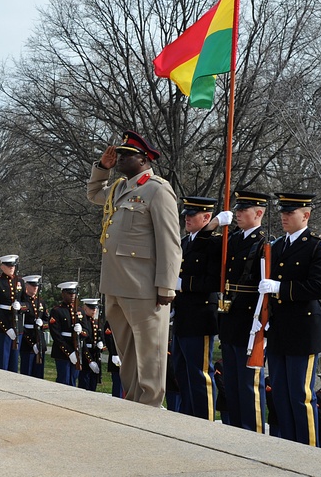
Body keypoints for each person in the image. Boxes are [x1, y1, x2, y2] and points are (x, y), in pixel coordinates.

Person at [87, 130, 182, 408]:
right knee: (126, 351)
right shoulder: (118, 187)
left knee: (149, 351)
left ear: (143, 159)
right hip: (115, 284)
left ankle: (150, 405)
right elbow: (94, 194)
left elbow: (170, 243)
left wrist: (166, 286)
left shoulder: (157, 189)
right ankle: (132, 401)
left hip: (144, 287)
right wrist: (102, 168)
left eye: (126, 155)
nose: (119, 158)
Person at [258, 192, 321, 445]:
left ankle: (309, 449)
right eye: (283, 212)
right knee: (280, 393)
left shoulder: (317, 245)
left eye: (290, 212)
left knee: (300, 395)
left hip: (304, 329)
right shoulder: (278, 245)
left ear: (306, 215)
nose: (284, 217)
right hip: (279, 328)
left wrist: (280, 288)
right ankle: (289, 445)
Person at [216, 190, 269, 433]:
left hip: (250, 319)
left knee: (249, 384)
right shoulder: (232, 239)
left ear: (258, 213)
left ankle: (252, 430)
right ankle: (236, 428)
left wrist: (262, 322)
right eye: (236, 210)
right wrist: (216, 223)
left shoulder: (263, 243)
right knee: (233, 381)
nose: (237, 214)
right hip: (229, 317)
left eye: (242, 210)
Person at [172, 196, 223, 421]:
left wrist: (184, 284)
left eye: (192, 215)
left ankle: (204, 421)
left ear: (207, 217)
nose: (187, 219)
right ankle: (187, 417)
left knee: (200, 374)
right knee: (181, 371)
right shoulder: (185, 242)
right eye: (186, 215)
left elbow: (214, 281)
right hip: (183, 314)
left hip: (200, 315)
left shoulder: (214, 243)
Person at [0, 254, 24, 373]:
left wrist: (21, 306)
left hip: (17, 324)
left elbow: (26, 302)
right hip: (3, 325)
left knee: (14, 361)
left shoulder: (20, 281)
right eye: (8, 266)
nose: (12, 268)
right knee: (3, 360)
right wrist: (6, 327)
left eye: (13, 265)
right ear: (2, 267)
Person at [49, 282, 81, 386]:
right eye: (69, 293)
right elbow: (56, 334)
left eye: (74, 293)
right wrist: (69, 352)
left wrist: (82, 330)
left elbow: (87, 331)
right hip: (62, 351)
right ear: (63, 294)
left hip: (76, 348)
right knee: (64, 380)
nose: (72, 296)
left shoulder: (80, 311)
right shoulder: (57, 311)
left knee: (73, 380)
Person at [19, 274, 47, 379]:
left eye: (37, 286)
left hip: (40, 339)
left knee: (39, 373)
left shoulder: (41, 302)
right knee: (27, 372)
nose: (35, 288)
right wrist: (31, 344)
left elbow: (47, 321)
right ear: (26, 286)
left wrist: (42, 324)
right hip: (27, 341)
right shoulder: (23, 301)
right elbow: (22, 324)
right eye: (33, 286)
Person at [77, 299, 103, 391]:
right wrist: (89, 360)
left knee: (93, 383)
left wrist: (101, 345)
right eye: (91, 308)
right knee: (84, 381)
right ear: (85, 308)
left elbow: (101, 337)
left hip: (95, 354)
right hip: (85, 356)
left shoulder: (96, 322)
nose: (94, 311)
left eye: (95, 308)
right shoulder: (83, 322)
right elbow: (82, 342)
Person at [104, 320, 123, 398]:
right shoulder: (112, 320)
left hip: (128, 357)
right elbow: (109, 338)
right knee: (118, 384)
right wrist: (114, 353)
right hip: (117, 357)